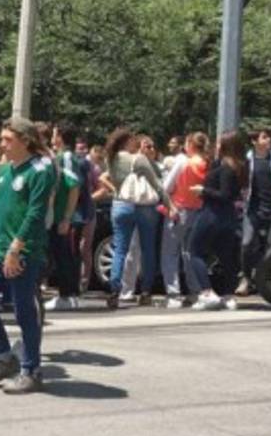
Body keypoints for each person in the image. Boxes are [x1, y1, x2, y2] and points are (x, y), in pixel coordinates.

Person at [0, 117, 55, 394]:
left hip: (22, 252)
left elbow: (35, 213)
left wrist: (15, 248)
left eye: (8, 139)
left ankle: (31, 370)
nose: (2, 144)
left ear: (25, 140)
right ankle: (4, 357)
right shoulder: (5, 170)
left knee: (24, 312)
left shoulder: (40, 170)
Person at [100, 127, 167, 309]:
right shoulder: (138, 159)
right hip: (145, 206)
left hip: (121, 204)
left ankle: (114, 289)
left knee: (120, 249)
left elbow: (111, 179)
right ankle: (145, 291)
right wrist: (170, 205)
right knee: (147, 249)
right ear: (127, 142)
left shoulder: (111, 158)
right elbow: (158, 182)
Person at [188, 131, 247, 311]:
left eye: (220, 143)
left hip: (212, 213)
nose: (217, 145)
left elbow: (224, 194)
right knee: (226, 256)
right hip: (228, 217)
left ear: (227, 146)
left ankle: (207, 293)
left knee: (194, 251)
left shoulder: (225, 168)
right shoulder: (240, 167)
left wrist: (202, 190)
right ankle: (228, 296)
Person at [164, 132, 209, 306]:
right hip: (199, 211)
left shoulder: (185, 163)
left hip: (180, 210)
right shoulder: (207, 164)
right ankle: (196, 290)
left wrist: (171, 205)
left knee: (170, 252)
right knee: (191, 251)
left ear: (190, 145)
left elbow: (167, 187)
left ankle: (173, 294)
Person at [240, 129, 271, 296]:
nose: (268, 140)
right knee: (247, 243)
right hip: (253, 209)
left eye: (268, 137)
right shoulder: (247, 160)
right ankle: (245, 278)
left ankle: (264, 283)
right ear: (254, 141)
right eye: (264, 137)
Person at [44, 130, 80, 312]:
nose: (52, 138)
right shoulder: (57, 157)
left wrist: (66, 217)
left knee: (62, 254)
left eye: (55, 134)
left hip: (58, 217)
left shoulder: (62, 158)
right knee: (60, 254)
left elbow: (73, 185)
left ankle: (67, 294)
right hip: (55, 216)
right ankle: (68, 293)